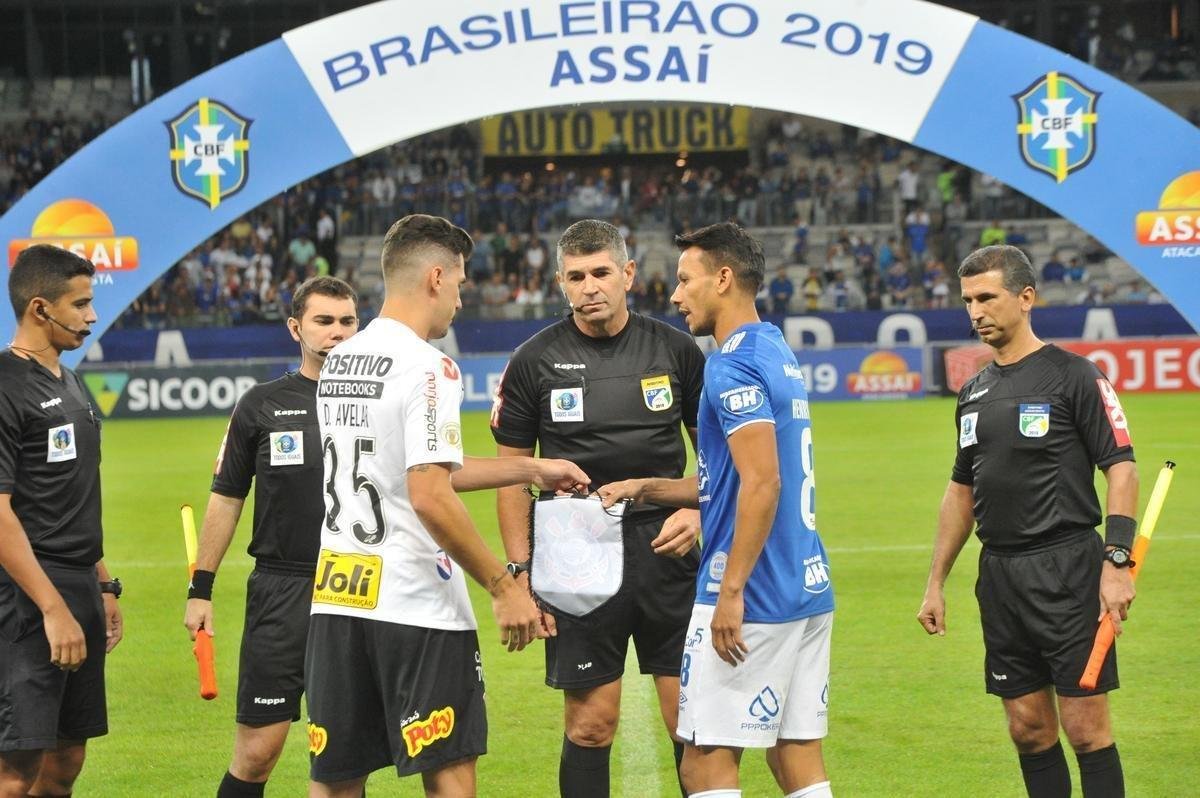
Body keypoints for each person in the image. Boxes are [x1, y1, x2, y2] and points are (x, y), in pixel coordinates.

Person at [305, 214, 589, 798]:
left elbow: (415, 470)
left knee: (335, 783)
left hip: (339, 598)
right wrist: (504, 586)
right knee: (450, 778)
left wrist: (532, 467)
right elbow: (428, 493)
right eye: (459, 283)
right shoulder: (429, 366)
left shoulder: (340, 361)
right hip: (416, 604)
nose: (461, 300)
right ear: (435, 277)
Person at [596, 221, 835, 798]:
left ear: (724, 279)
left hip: (755, 593)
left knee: (702, 760)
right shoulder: (772, 348)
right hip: (807, 583)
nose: (675, 295)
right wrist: (646, 488)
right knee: (796, 752)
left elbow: (761, 483)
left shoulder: (730, 365)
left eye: (685, 280)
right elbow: (729, 481)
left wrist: (731, 591)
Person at [490, 219, 706, 797]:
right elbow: (512, 476)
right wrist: (521, 571)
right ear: (561, 282)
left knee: (691, 724)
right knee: (589, 725)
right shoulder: (534, 360)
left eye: (602, 273)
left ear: (628, 274)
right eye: (576, 276)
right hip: (574, 555)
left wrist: (702, 511)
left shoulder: (676, 349)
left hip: (669, 550)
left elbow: (721, 454)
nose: (590, 287)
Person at [917, 245, 1137, 798]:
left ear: (1026, 297)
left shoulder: (1075, 376)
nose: (976, 311)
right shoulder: (972, 392)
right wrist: (936, 581)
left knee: (1086, 731)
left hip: (1068, 571)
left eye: (987, 297)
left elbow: (1123, 469)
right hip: (1001, 577)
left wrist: (1116, 560)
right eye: (968, 300)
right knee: (1028, 730)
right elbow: (961, 491)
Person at [183, 276, 360, 798]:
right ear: (295, 327)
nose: (337, 333)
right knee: (257, 754)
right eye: (323, 322)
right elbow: (226, 497)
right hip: (281, 589)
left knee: (343, 761)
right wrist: (201, 589)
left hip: (357, 588)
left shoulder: (378, 401)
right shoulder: (261, 404)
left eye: (347, 321)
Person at [0, 244, 123, 797]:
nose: (91, 317)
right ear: (40, 308)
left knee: (67, 757)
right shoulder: (6, 386)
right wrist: (52, 608)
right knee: (16, 768)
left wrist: (102, 584)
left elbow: (72, 495)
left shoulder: (69, 380)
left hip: (77, 585)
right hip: (26, 596)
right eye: (81, 305)